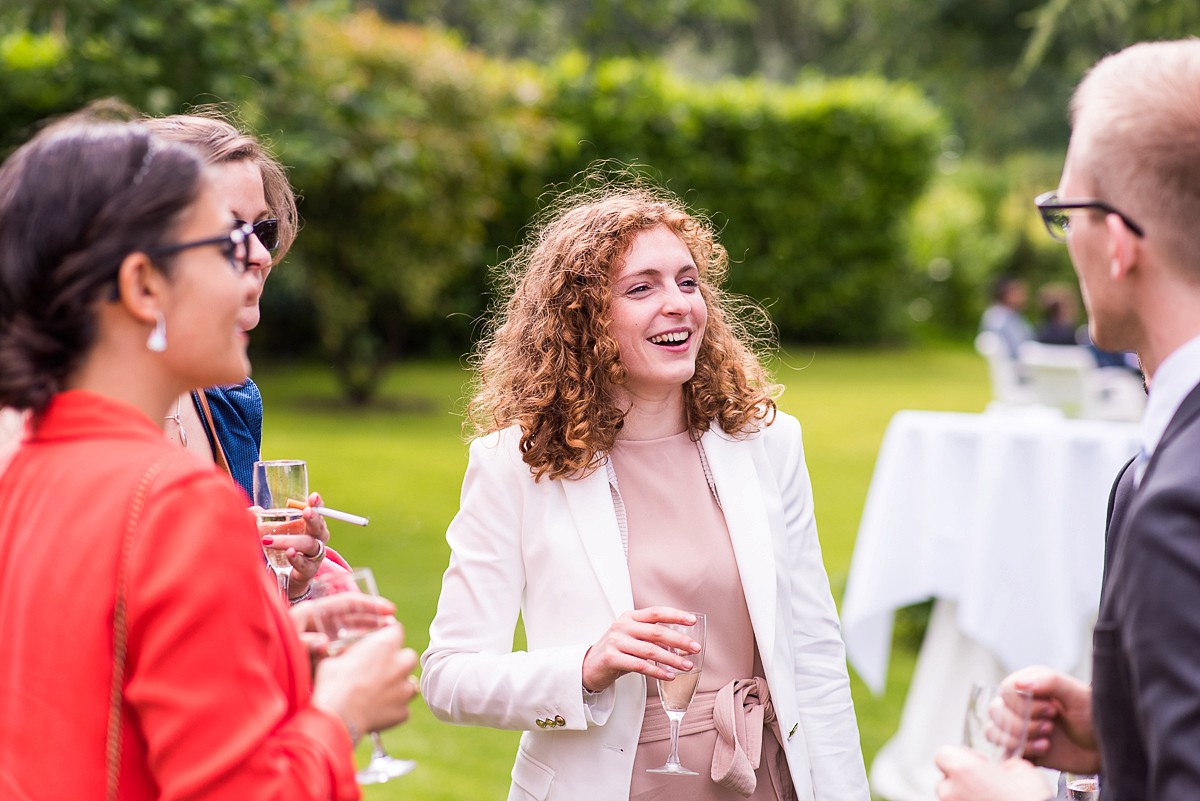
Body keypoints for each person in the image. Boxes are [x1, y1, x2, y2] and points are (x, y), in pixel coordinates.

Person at [0, 111, 418, 799]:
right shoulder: (177, 502)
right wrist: (340, 713)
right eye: (226, 243)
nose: (258, 259)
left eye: (259, 237)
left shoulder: (26, 465)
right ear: (143, 286)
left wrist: (274, 640)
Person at [421, 183, 868, 800]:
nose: (677, 304)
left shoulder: (767, 444)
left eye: (688, 282)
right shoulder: (513, 465)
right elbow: (448, 678)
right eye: (642, 287)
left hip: (761, 779)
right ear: (583, 318)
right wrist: (586, 668)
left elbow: (816, 653)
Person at [936, 39, 1200, 801]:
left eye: (1064, 212)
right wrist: (1126, 733)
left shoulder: (1179, 502)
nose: (1066, 240)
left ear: (1117, 243)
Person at [143, 110, 345, 599]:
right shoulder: (62, 431)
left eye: (264, 231)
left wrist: (291, 580)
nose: (261, 255)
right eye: (231, 233)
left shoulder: (229, 401)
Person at [980, 274, 1035, 361]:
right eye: (1018, 291)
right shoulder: (997, 317)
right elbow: (1014, 347)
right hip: (1019, 366)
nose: (1023, 296)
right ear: (1006, 294)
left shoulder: (1014, 315)